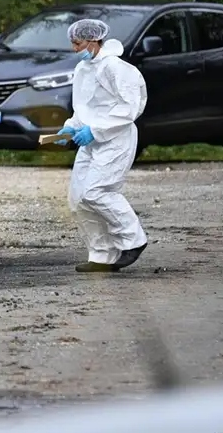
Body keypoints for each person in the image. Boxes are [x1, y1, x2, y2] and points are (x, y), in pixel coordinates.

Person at [57, 18, 148, 273]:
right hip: (91, 140)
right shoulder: (84, 68)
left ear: (94, 40)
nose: (74, 48)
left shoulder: (116, 68)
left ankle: (133, 240)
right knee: (78, 199)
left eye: (78, 43)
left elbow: (129, 108)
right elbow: (84, 107)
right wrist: (71, 126)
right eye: (73, 43)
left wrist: (96, 130)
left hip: (115, 139)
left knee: (97, 192)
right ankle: (102, 255)